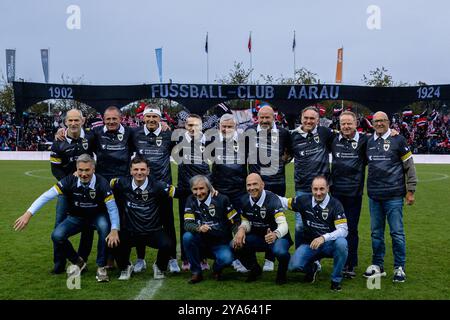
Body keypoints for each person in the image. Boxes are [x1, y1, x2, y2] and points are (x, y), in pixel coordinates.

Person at [14, 154, 120, 282]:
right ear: (76, 169)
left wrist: (114, 229)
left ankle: (101, 267)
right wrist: (28, 214)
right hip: (77, 217)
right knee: (57, 235)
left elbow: (112, 208)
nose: (83, 174)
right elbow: (47, 195)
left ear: (93, 169)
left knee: (105, 227)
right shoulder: (69, 181)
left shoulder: (102, 183)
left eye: (87, 170)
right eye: (80, 170)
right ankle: (78, 261)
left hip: (96, 216)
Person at [364, 111, 417, 283]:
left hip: (394, 196)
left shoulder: (398, 140)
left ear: (388, 122)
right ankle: (378, 265)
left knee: (397, 233)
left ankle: (399, 267)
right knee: (376, 234)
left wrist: (411, 191)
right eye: (376, 121)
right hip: (374, 195)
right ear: (372, 123)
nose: (379, 123)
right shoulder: (368, 141)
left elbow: (409, 166)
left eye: (382, 121)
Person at [110, 156, 177, 280]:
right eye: (135, 169)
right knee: (113, 242)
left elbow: (180, 193)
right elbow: (104, 184)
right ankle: (126, 267)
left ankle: (159, 267)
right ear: (130, 171)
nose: (139, 172)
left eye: (142, 169)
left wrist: (209, 189)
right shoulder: (121, 183)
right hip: (131, 231)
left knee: (168, 244)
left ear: (148, 171)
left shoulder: (158, 186)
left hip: (152, 231)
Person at [131, 106, 180, 273]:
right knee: (140, 221)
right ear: (143, 118)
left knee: (168, 223)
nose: (151, 119)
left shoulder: (168, 134)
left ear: (160, 119)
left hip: (163, 187)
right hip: (141, 185)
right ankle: (140, 259)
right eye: (148, 116)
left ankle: (172, 259)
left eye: (155, 116)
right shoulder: (135, 133)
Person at [280, 176, 348, 291]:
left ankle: (335, 280)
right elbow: (284, 202)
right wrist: (265, 194)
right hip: (310, 244)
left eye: (322, 189)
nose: (318, 193)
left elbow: (343, 230)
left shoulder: (335, 205)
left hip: (329, 245)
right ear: (311, 189)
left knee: (342, 243)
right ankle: (313, 267)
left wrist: (323, 238)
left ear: (327, 188)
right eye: (315, 189)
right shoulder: (304, 200)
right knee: (293, 266)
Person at [245, 106, 292, 272]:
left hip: (277, 183)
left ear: (274, 117)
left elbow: (289, 153)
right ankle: (249, 257)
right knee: (255, 219)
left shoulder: (284, 133)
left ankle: (270, 258)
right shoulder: (249, 132)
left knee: (274, 220)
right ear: (257, 117)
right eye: (261, 117)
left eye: (268, 117)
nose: (264, 121)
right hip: (256, 185)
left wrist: (279, 164)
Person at [49, 108, 95, 274]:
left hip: (89, 189)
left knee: (88, 226)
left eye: (77, 120)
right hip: (67, 192)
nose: (74, 123)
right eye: (70, 121)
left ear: (82, 120)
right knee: (59, 225)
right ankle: (59, 262)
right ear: (65, 122)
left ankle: (82, 260)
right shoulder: (58, 141)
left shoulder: (91, 136)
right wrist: (69, 184)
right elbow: (55, 169)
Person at [232, 173, 292, 285]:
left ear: (262, 185)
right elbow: (245, 220)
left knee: (280, 252)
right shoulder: (244, 200)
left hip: (277, 237)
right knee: (235, 244)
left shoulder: (273, 199)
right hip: (258, 237)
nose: (252, 188)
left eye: (255, 184)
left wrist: (275, 234)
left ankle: (282, 273)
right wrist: (241, 229)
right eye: (249, 185)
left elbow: (283, 224)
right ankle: (255, 269)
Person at [208, 114, 248, 273]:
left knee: (238, 225)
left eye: (229, 126)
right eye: (223, 126)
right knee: (222, 226)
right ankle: (225, 256)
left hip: (239, 192)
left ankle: (239, 258)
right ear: (219, 127)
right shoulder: (212, 141)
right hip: (220, 192)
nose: (226, 129)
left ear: (236, 126)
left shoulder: (245, 141)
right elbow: (206, 166)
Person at [330, 111, 368, 278]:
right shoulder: (333, 139)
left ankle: (350, 264)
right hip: (335, 194)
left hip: (354, 194)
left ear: (355, 123)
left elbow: (384, 139)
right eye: (343, 123)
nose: (346, 126)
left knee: (351, 229)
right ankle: (339, 261)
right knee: (336, 228)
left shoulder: (365, 141)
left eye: (349, 123)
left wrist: (394, 132)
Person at [290, 106, 334, 249]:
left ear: (318, 120)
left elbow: (344, 138)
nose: (309, 121)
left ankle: (316, 258)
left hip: (322, 189)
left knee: (319, 224)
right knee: (299, 225)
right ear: (301, 119)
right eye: (306, 118)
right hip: (302, 188)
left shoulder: (325, 133)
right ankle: (300, 256)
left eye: (312, 118)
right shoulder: (293, 136)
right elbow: (285, 155)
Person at [173, 114, 211, 271]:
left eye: (196, 125)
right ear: (185, 126)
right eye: (189, 125)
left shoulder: (210, 142)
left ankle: (203, 257)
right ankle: (186, 259)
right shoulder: (177, 141)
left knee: (204, 222)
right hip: (185, 190)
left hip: (203, 190)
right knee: (185, 224)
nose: (192, 128)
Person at [183, 175, 238, 284]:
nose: (198, 193)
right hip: (201, 243)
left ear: (208, 188)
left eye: (201, 188)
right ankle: (196, 272)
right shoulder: (190, 200)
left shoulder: (222, 199)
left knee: (227, 258)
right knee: (187, 237)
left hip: (220, 243)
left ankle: (217, 269)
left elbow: (235, 222)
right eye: (195, 189)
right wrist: (199, 228)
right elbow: (187, 224)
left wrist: (237, 235)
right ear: (191, 190)